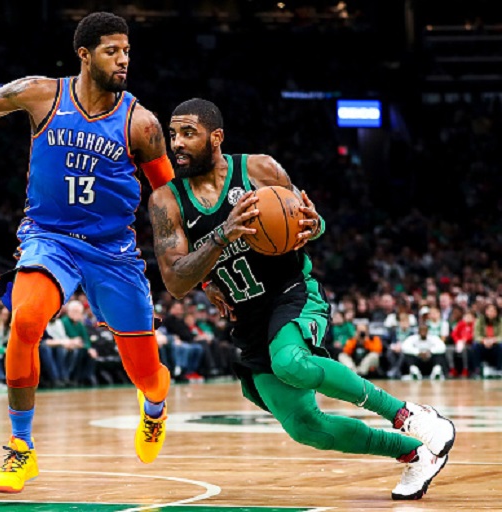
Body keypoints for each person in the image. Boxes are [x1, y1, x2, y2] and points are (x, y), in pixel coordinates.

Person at [147, 98, 455, 501]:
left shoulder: (258, 169)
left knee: (290, 361)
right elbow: (174, 280)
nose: (177, 143)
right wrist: (222, 239)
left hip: (291, 292)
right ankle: (414, 454)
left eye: (188, 132)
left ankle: (407, 415)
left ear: (216, 137)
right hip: (248, 319)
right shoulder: (166, 201)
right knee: (304, 426)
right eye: (173, 134)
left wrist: (317, 224)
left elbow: (306, 222)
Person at [0, 11, 174, 493]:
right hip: (49, 236)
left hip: (112, 249)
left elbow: (166, 196)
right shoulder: (43, 93)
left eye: (126, 52)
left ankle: (156, 405)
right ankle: (21, 449)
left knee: (146, 375)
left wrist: (181, 257)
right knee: (26, 318)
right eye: (111, 51)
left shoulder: (142, 124)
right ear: (84, 54)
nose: (123, 60)